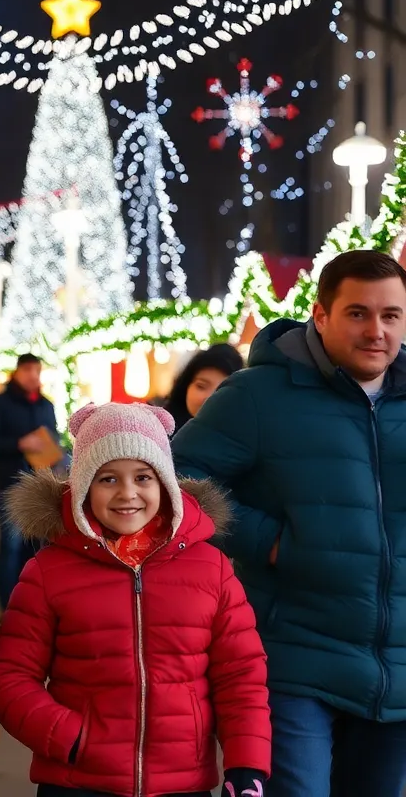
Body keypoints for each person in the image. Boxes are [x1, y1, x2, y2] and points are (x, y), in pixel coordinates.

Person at [172, 249, 406, 794]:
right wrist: (270, 542)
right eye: (357, 313)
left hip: (396, 669)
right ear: (320, 316)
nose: (376, 331)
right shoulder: (257, 394)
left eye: (391, 315)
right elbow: (177, 480)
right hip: (292, 658)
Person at [0, 403, 271, 797]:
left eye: (143, 477)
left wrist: (246, 765)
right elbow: (10, 675)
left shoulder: (212, 569)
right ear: (83, 486)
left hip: (181, 781)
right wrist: (70, 737)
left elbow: (241, 675)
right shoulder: (48, 572)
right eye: (108, 478)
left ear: (165, 484)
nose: (127, 493)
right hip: (78, 781)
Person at [0, 353, 60, 611]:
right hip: (9, 483)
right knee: (11, 545)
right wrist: (19, 443)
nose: (32, 375)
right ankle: (7, 605)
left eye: (37, 370)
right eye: (27, 370)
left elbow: (54, 437)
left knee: (36, 545)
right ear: (16, 372)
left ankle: (31, 600)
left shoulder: (46, 405)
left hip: (39, 484)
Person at [162, 343, 244, 432]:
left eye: (222, 391)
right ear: (186, 386)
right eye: (201, 386)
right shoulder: (158, 430)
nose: (209, 398)